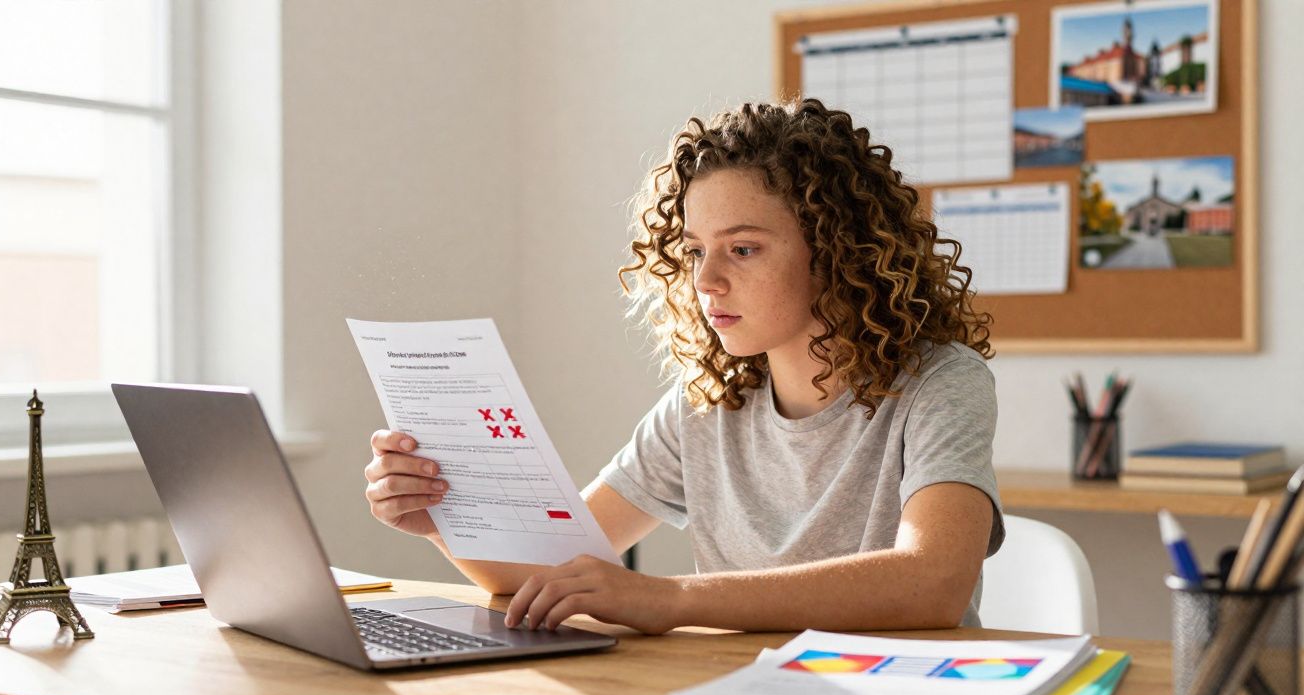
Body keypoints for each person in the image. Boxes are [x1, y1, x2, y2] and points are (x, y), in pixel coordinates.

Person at [364, 99, 1001, 636]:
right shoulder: (704, 405)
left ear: (840, 252)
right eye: (695, 251)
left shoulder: (941, 384)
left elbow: (934, 582)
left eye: (743, 249)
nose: (707, 280)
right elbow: (552, 574)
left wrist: (671, 600)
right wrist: (440, 519)